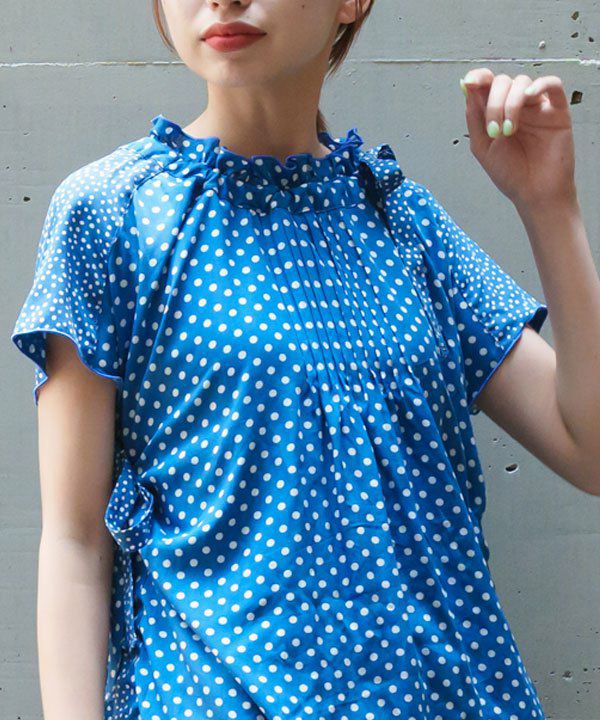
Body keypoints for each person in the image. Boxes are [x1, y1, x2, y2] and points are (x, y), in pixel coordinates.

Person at [10, 1, 600, 718]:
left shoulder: (402, 222)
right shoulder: (113, 214)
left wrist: (549, 206)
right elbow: (75, 543)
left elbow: (589, 449)